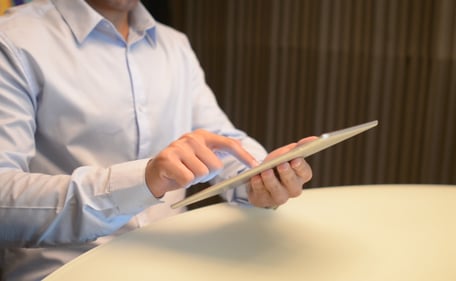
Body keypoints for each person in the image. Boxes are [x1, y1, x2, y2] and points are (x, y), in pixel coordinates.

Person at [0, 0, 314, 280]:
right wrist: (144, 179)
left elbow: (223, 141)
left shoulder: (175, 45)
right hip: (66, 269)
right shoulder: (14, 40)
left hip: (175, 260)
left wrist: (259, 178)